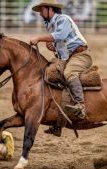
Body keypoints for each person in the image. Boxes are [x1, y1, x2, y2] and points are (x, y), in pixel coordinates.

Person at [30, 0, 93, 136]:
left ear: (50, 9)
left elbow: (60, 36)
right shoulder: (53, 24)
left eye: (42, 10)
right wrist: (55, 49)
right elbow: (62, 50)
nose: (40, 13)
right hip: (71, 57)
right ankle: (58, 122)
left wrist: (40, 38)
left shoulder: (63, 19)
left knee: (69, 73)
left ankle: (80, 105)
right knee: (53, 74)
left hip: (81, 55)